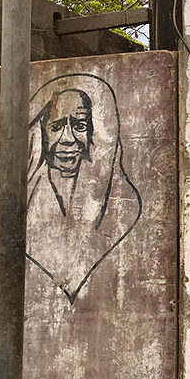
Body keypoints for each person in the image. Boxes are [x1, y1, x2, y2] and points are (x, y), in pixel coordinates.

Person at [27, 73, 142, 303]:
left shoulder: (125, 206)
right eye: (56, 126)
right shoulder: (28, 199)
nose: (68, 138)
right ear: (41, 132)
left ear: (92, 132)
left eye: (80, 125)